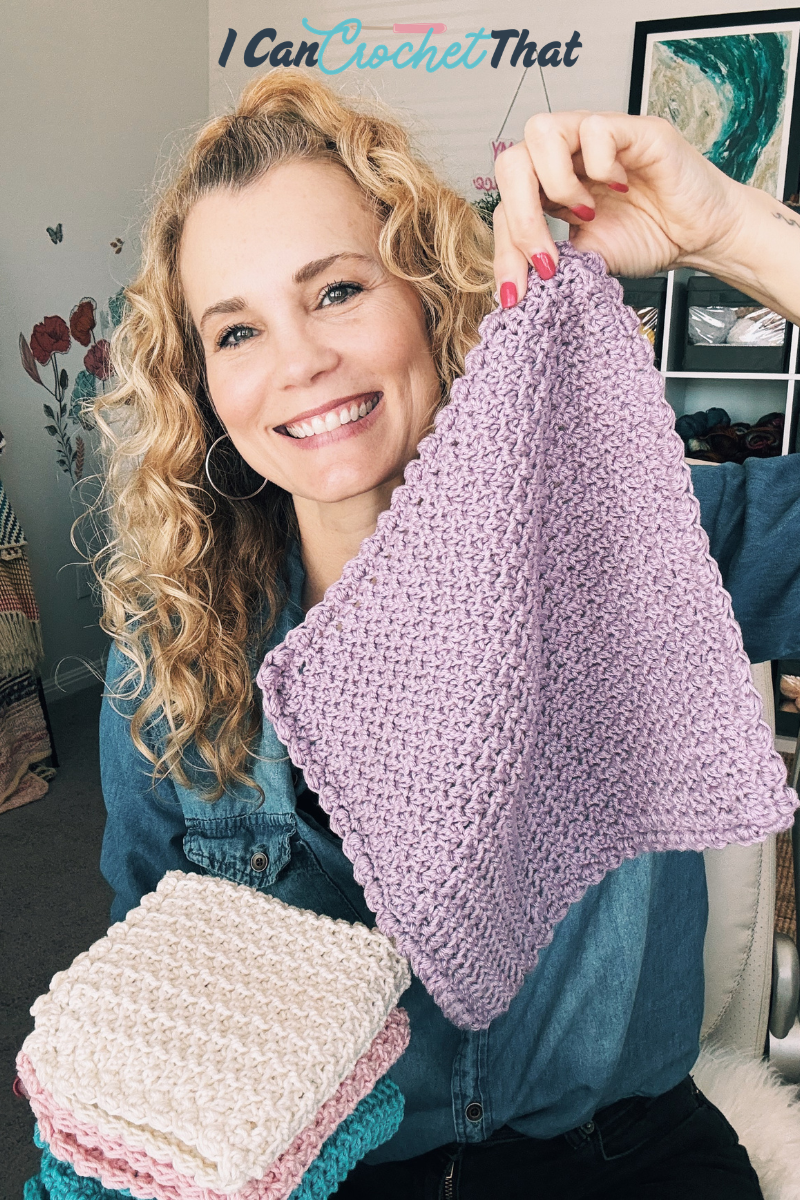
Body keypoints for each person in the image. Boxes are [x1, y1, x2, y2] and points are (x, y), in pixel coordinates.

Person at [95, 71, 800, 1199]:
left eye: (334, 291)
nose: (299, 361)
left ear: (424, 290)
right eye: (237, 329)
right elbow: (160, 998)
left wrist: (736, 231)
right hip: (339, 1177)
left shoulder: (626, 535)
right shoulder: (172, 649)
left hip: (619, 1161)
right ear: (203, 384)